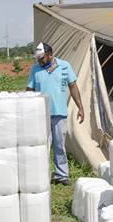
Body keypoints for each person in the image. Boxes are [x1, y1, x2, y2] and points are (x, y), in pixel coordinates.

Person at [26, 42, 84, 185]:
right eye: (38, 58)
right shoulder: (35, 69)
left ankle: (61, 175)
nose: (39, 60)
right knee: (43, 146)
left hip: (59, 113)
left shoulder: (65, 66)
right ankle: (43, 175)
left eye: (42, 58)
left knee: (59, 146)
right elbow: (29, 90)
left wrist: (80, 107)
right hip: (41, 114)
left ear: (50, 54)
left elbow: (73, 86)